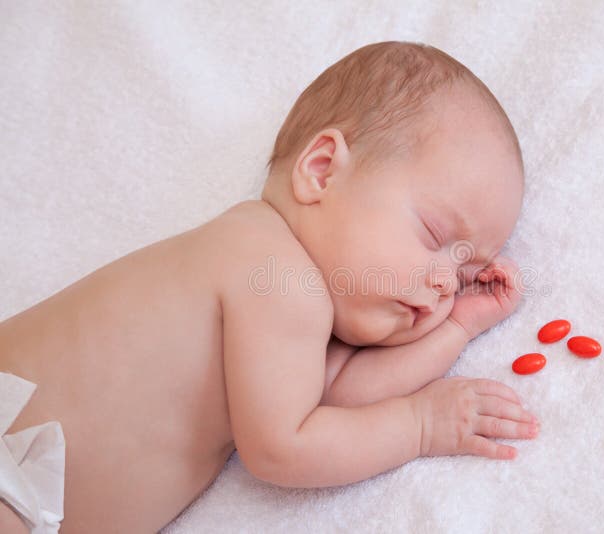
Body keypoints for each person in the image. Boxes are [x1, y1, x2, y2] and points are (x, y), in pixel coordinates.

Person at [0, 41, 538, 533]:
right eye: (435, 235)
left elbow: (341, 397)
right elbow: (286, 446)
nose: (446, 282)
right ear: (322, 170)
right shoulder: (271, 268)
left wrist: (463, 323)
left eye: (464, 273)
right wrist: (419, 426)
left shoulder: (292, 317)